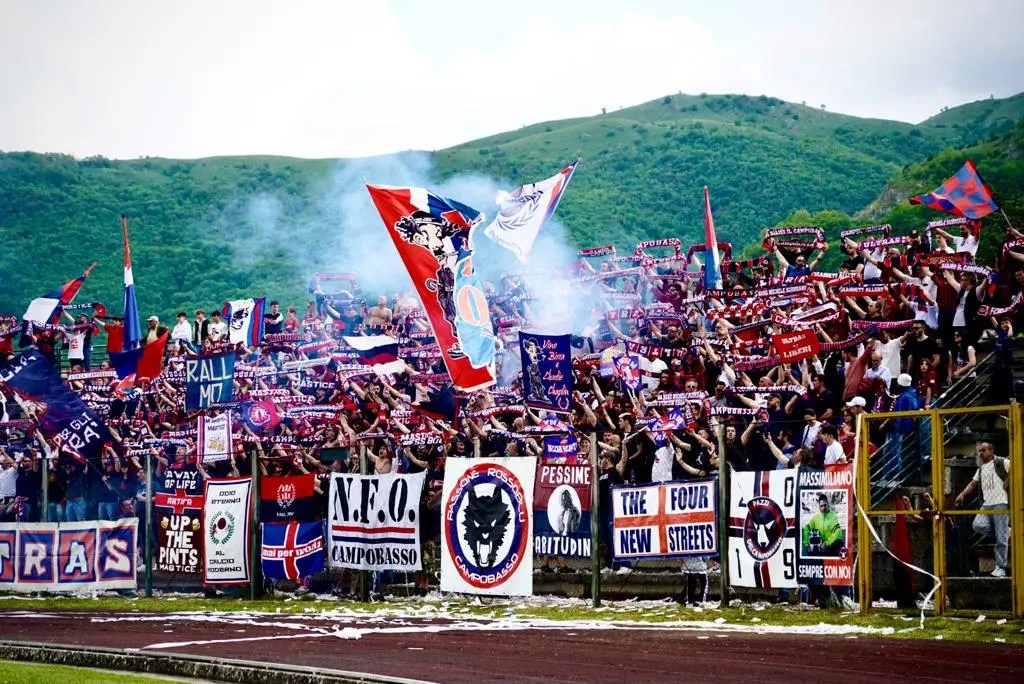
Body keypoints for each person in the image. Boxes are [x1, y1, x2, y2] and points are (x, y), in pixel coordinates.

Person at [954, 441, 1010, 577]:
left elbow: (1016, 470)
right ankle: (1005, 532)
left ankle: (1000, 567)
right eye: (979, 451)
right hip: (987, 503)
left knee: (1000, 540)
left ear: (991, 451)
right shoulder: (981, 469)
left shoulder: (1002, 462)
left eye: (983, 450)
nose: (981, 453)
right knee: (977, 525)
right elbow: (973, 484)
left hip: (1000, 502)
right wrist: (962, 494)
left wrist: (1007, 481)